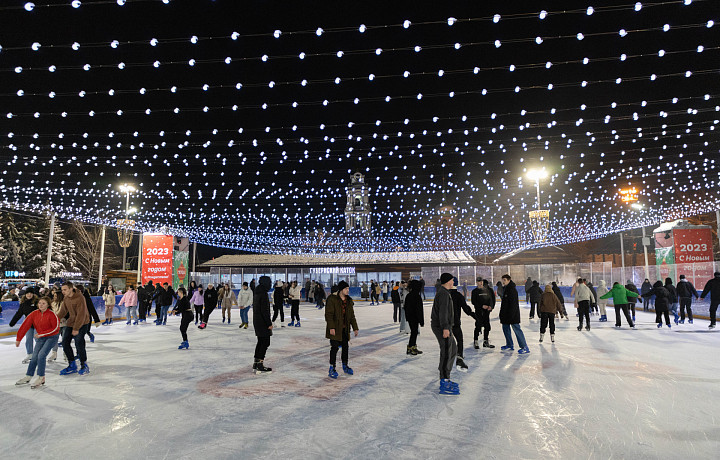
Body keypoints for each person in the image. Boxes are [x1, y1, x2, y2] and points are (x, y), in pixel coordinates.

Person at [14, 296, 60, 389]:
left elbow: (55, 328)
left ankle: (40, 377)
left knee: (41, 355)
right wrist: (19, 338)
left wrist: (42, 334)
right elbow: (25, 325)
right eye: (39, 303)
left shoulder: (52, 314)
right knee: (34, 357)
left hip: (51, 337)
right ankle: (28, 376)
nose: (41, 305)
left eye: (43, 303)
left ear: (48, 305)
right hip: (41, 337)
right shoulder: (34, 314)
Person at [431, 273, 459, 394]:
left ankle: (444, 371)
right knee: (446, 351)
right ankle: (444, 379)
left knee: (453, 349)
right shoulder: (443, 294)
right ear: (448, 281)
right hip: (442, 326)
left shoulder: (445, 292)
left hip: (445, 326)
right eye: (452, 280)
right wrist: (445, 328)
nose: (453, 282)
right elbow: (443, 313)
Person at [325, 280, 360, 379]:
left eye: (348, 288)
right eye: (346, 288)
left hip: (345, 329)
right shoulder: (332, 299)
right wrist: (331, 327)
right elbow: (328, 314)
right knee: (334, 348)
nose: (348, 290)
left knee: (345, 348)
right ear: (341, 290)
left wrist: (355, 328)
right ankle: (332, 367)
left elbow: (351, 316)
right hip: (335, 328)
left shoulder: (349, 300)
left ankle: (345, 365)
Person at [57, 282, 91, 376]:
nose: (63, 292)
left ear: (71, 289)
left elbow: (81, 314)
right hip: (71, 322)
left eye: (65, 290)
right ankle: (72, 364)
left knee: (79, 342)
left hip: (83, 322)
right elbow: (63, 311)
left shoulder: (80, 298)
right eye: (62, 290)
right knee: (65, 342)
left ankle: (84, 364)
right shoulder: (66, 298)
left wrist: (76, 328)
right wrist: (55, 319)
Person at [449, 277, 476, 372]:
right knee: (459, 340)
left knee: (446, 343)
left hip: (445, 324)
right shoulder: (458, 295)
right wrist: (474, 315)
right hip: (455, 323)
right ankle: (459, 359)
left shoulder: (444, 295)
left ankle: (445, 362)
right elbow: (466, 308)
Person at [499, 274, 530, 354]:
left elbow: (513, 304)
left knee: (516, 329)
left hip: (512, 315)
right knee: (505, 329)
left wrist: (511, 315)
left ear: (509, 280)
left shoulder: (512, 290)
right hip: (505, 314)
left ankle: (524, 347)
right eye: (503, 280)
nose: (503, 282)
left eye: (505, 280)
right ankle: (509, 344)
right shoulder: (506, 288)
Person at [9, 288, 39, 364]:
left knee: (37, 339)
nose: (29, 295)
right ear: (25, 294)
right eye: (28, 293)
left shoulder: (37, 302)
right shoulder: (23, 303)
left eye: (31, 293)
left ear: (33, 294)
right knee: (28, 339)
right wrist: (12, 322)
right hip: (28, 323)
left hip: (37, 324)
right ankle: (30, 354)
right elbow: (19, 313)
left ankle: (39, 354)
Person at [252, 276, 273, 374]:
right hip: (262, 322)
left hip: (257, 320)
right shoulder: (263, 293)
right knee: (265, 342)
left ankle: (256, 363)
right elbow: (264, 310)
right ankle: (260, 364)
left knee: (260, 342)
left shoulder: (257, 292)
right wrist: (269, 323)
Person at [471, 278, 495, 349]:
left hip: (486, 312)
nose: (480, 283)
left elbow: (492, 299)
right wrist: (481, 306)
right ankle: (476, 341)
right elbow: (473, 301)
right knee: (478, 326)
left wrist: (491, 306)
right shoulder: (475, 291)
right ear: (476, 283)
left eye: (481, 282)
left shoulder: (488, 290)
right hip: (478, 311)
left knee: (487, 326)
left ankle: (485, 341)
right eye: (478, 282)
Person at [404, 279, 424, 356]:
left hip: (410, 317)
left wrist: (407, 317)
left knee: (413, 332)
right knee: (414, 332)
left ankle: (411, 347)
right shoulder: (417, 296)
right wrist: (421, 321)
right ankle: (411, 348)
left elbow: (406, 307)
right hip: (414, 318)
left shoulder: (409, 295)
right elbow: (419, 310)